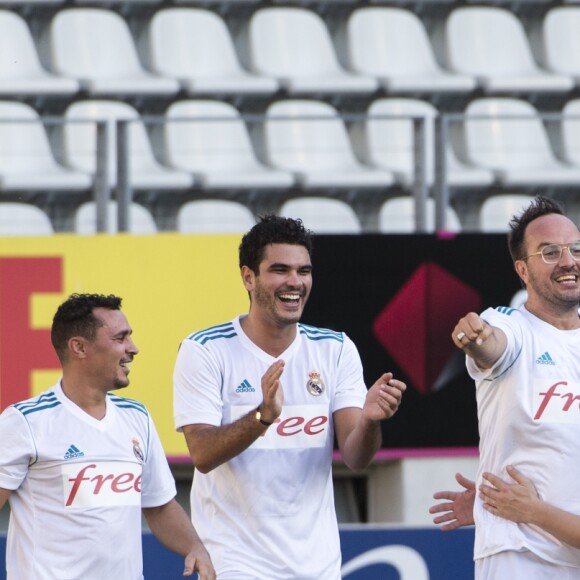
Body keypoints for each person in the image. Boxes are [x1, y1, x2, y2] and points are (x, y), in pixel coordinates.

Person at [173, 214, 406, 579]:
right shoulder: (205, 350)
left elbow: (357, 456)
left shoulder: (336, 348)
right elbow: (202, 454)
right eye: (279, 270)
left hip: (317, 565)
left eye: (304, 271)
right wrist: (262, 417)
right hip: (236, 563)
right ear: (248, 277)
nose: (294, 282)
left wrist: (371, 422)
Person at [0, 293, 215, 580]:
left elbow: (160, 506)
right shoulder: (25, 421)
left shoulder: (136, 416)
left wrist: (195, 546)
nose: (133, 348)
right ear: (79, 347)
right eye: (120, 338)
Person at [430, 195, 580, 579]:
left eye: (575, 249)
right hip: (519, 553)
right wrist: (476, 338)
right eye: (549, 252)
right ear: (522, 270)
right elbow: (493, 346)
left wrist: (535, 510)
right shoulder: (510, 324)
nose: (568, 261)